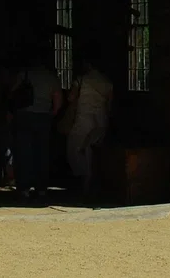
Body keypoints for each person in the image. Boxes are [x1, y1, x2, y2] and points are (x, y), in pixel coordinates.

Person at [10, 55, 62, 202]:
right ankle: (42, 189)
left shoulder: (24, 74)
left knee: (23, 153)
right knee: (42, 153)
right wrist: (52, 113)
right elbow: (58, 99)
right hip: (43, 118)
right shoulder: (52, 78)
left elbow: (12, 93)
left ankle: (24, 188)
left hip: (24, 116)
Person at [66, 48, 113, 194]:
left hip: (83, 119)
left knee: (74, 149)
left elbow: (70, 98)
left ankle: (83, 177)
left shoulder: (81, 80)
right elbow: (109, 106)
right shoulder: (108, 83)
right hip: (101, 120)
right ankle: (92, 178)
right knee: (92, 150)